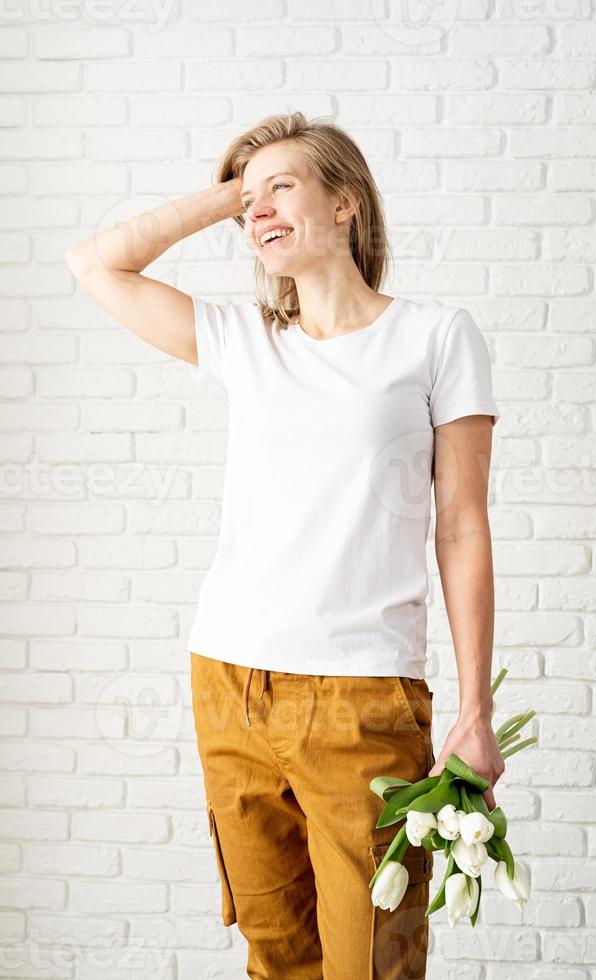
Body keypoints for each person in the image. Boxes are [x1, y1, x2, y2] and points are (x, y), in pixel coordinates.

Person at [66, 111, 505, 980]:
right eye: (246, 202)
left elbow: (462, 526)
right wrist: (236, 194)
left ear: (346, 202)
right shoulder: (245, 340)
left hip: (362, 698)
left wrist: (475, 709)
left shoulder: (435, 337)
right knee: (276, 957)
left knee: (370, 963)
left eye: (283, 187)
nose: (257, 211)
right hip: (228, 683)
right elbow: (96, 264)